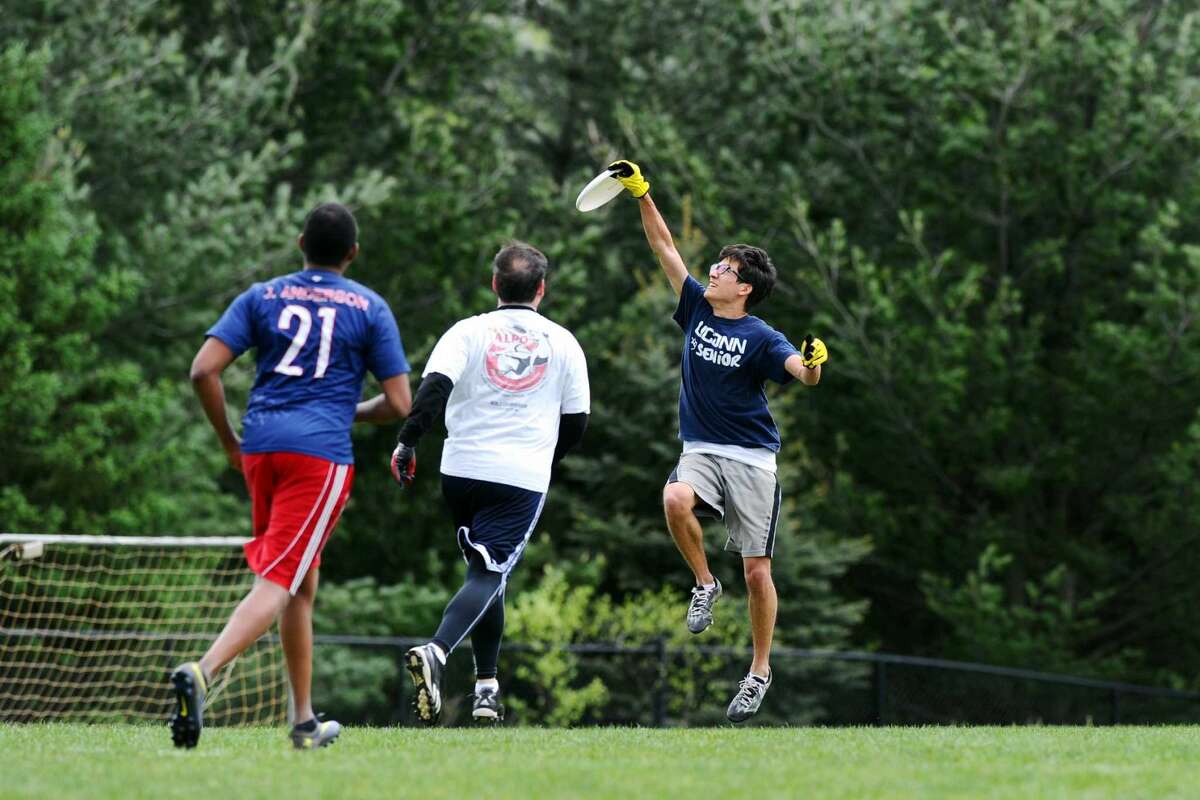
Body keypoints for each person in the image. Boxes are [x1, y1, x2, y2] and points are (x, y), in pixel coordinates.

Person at [173, 202, 412, 749]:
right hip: (320, 456)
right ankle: (203, 673)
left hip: (260, 447)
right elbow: (400, 402)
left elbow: (203, 370)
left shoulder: (262, 296)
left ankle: (303, 721)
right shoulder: (369, 307)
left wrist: (229, 442)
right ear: (352, 253)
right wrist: (346, 411)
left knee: (299, 582)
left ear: (301, 242)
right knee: (280, 580)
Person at [609, 159, 828, 723]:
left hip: (753, 460)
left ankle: (759, 671)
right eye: (715, 266)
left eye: (723, 269)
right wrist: (642, 195)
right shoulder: (696, 310)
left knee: (758, 572)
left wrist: (813, 365)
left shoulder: (761, 335)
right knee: (674, 498)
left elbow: (798, 373)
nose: (712, 273)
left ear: (745, 287)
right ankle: (705, 584)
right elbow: (664, 248)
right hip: (701, 451)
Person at [390, 241, 590, 725]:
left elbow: (433, 389)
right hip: (520, 476)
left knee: (489, 573)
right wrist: (545, 459)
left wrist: (406, 443)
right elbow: (577, 420)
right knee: (488, 574)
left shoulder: (467, 331)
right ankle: (437, 652)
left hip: (460, 472)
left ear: (495, 284)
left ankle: (486, 689)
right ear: (541, 289)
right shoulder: (563, 342)